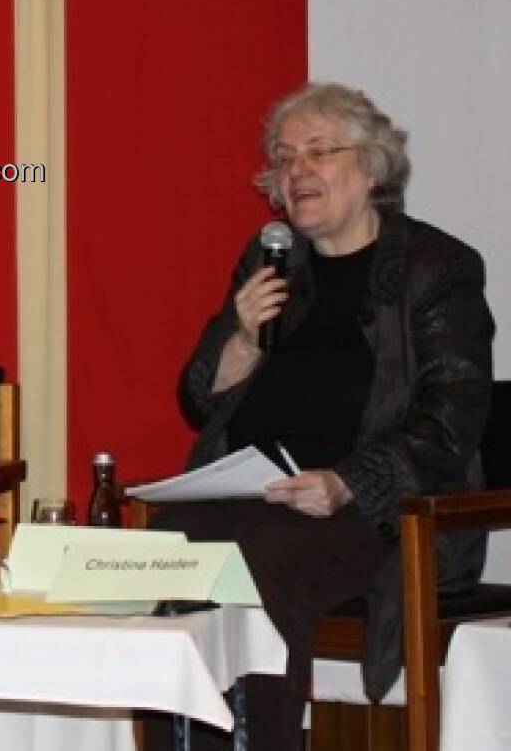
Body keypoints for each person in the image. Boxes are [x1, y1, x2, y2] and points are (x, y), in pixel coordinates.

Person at [151, 82, 493, 748]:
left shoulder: (437, 268)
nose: (296, 171)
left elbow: (453, 417)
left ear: (372, 168)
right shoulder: (272, 262)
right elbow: (198, 400)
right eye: (284, 158)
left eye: (317, 151)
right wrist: (244, 339)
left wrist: (346, 481)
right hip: (254, 489)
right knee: (157, 549)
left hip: (380, 511)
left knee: (258, 556)